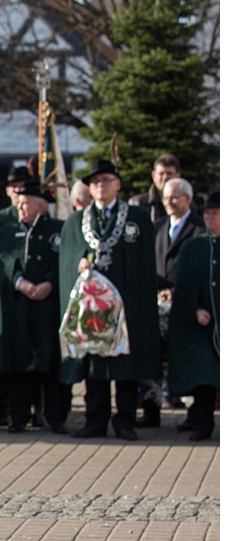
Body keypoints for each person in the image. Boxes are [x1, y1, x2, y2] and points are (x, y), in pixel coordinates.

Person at [58, 160, 159, 441]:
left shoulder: (137, 218)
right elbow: (68, 259)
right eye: (95, 181)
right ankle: (95, 420)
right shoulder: (77, 221)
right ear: (89, 187)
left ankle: (125, 420)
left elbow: (145, 264)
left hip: (124, 305)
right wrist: (78, 263)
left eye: (106, 180)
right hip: (92, 307)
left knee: (125, 364)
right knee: (95, 363)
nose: (100, 185)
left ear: (118, 184)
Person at [0, 181, 70, 434]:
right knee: (19, 364)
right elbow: (1, 263)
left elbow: (65, 263)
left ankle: (55, 417)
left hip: (49, 307)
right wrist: (19, 282)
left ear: (40, 204)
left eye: (26, 203)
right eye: (19, 203)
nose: (20, 207)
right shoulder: (7, 230)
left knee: (50, 363)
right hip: (18, 307)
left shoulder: (58, 229)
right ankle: (18, 416)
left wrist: (50, 282)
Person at [139, 177, 206, 427]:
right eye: (165, 196)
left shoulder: (200, 229)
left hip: (187, 306)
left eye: (174, 196)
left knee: (189, 362)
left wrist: (178, 292)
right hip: (156, 306)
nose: (169, 201)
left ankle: (194, 415)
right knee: (152, 360)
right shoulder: (156, 227)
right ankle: (151, 411)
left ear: (188, 199)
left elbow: (201, 270)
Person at [167, 190, 219, 441]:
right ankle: (202, 423)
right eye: (207, 213)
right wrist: (195, 309)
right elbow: (185, 287)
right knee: (204, 374)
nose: (209, 217)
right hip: (204, 323)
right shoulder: (194, 247)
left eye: (215, 213)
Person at [129, 153, 180, 223]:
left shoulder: (187, 204)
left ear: (178, 176)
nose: (165, 177)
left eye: (169, 173)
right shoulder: (137, 203)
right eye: (161, 173)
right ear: (154, 176)